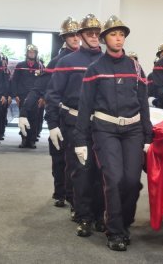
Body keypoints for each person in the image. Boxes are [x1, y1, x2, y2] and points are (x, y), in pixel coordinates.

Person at [74, 15, 152, 251]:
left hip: (133, 130)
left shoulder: (135, 67)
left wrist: (148, 136)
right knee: (114, 179)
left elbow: (143, 103)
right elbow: (85, 105)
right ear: (105, 39)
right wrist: (79, 139)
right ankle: (115, 230)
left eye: (121, 35)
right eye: (113, 35)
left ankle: (124, 222)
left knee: (131, 181)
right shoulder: (95, 68)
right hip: (105, 130)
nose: (118, 39)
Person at [45, 14, 105, 236]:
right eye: (89, 33)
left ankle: (100, 214)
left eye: (98, 33)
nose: (94, 37)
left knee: (102, 172)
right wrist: (52, 124)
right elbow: (52, 95)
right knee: (81, 171)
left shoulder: (108, 60)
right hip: (74, 124)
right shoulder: (66, 62)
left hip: (102, 125)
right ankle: (84, 216)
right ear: (80, 36)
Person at [18, 17, 80, 207]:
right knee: (59, 157)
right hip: (59, 116)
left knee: (80, 160)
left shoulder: (93, 59)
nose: (75, 38)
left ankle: (77, 195)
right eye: (70, 35)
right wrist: (23, 111)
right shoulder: (56, 62)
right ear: (64, 38)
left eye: (77, 34)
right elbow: (38, 88)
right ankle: (60, 192)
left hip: (84, 118)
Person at [11, 44, 44, 148]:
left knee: (34, 119)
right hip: (22, 96)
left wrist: (42, 96)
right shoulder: (20, 65)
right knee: (23, 117)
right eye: (30, 52)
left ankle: (32, 140)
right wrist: (15, 95)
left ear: (36, 54)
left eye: (33, 52)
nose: (32, 54)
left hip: (35, 96)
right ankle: (24, 140)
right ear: (27, 54)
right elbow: (14, 81)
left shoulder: (40, 66)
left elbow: (44, 82)